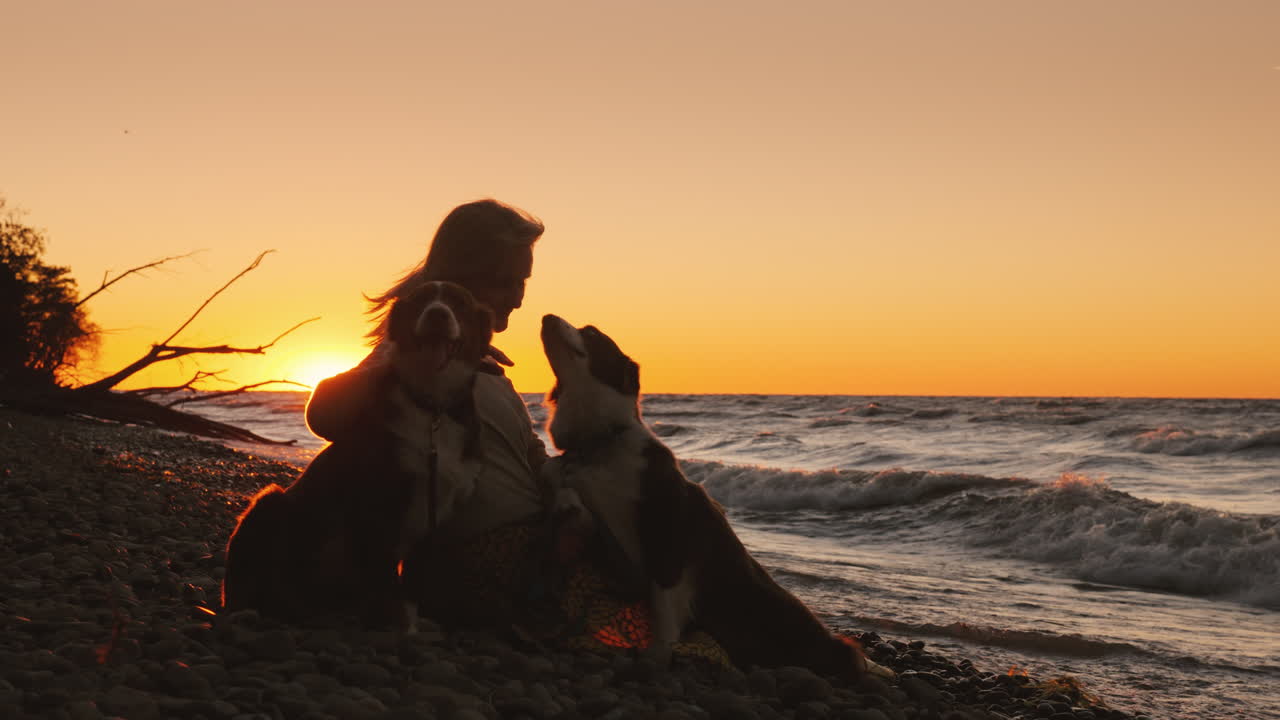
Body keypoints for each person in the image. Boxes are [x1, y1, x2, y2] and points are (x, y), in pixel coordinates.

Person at [305, 198, 552, 626]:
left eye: (522, 283)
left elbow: (529, 452)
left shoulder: (491, 371)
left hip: (534, 541)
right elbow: (324, 413)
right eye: (503, 282)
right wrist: (401, 358)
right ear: (457, 280)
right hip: (483, 561)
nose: (517, 297)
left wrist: (572, 498)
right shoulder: (415, 368)